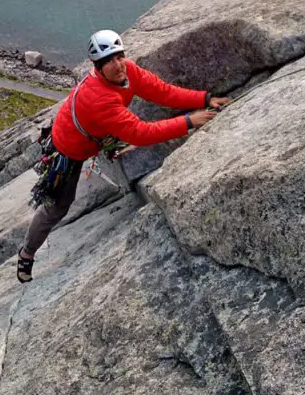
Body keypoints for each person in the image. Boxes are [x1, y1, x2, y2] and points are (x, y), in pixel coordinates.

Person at [17, 29, 230, 282]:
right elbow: (139, 133)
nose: (118, 65)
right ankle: (27, 253)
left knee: (124, 140)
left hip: (94, 132)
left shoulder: (127, 71)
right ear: (98, 67)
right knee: (58, 207)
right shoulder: (99, 99)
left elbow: (162, 91)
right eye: (109, 61)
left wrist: (205, 99)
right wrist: (189, 121)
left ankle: (110, 148)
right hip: (69, 149)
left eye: (119, 57)